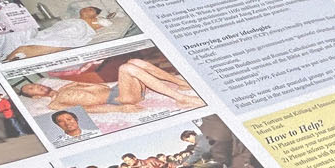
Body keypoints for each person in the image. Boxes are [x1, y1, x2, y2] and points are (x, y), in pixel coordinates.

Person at [15, 57, 205, 114]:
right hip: (119, 99)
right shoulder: (55, 104)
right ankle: (181, 99)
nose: (36, 86)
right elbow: (88, 110)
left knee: (135, 62)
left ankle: (180, 83)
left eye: (34, 84)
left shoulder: (65, 86)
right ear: (36, 97)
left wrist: (124, 81)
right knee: (126, 68)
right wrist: (120, 109)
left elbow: (102, 85)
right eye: (32, 89)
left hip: (118, 89)